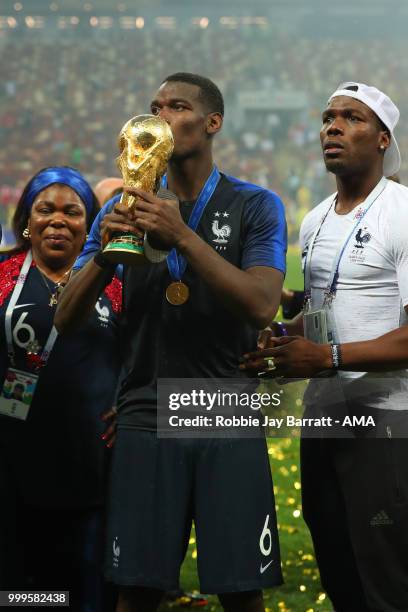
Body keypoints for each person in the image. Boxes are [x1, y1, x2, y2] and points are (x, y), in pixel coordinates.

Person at [55, 72, 287, 612]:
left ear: (212, 123)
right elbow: (66, 320)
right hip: (145, 411)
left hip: (224, 407)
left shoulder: (256, 205)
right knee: (136, 589)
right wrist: (105, 255)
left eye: (177, 106)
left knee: (240, 591)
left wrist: (183, 234)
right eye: (154, 107)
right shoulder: (125, 209)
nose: (160, 116)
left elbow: (260, 304)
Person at [242, 82, 408, 611]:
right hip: (323, 416)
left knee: (386, 575)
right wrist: (284, 341)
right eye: (328, 117)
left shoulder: (402, 212)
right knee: (337, 568)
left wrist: (329, 358)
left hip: (386, 421)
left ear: (383, 139)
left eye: (351, 118)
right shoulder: (313, 220)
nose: (332, 127)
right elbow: (324, 317)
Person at [0, 166, 122, 611]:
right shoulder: (3, 273)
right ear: (26, 221)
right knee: (22, 584)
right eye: (44, 209)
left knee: (87, 580)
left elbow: (142, 356)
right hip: (12, 459)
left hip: (91, 461)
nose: (57, 220)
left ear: (88, 223)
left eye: (72, 212)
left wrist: (126, 404)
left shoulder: (115, 281)